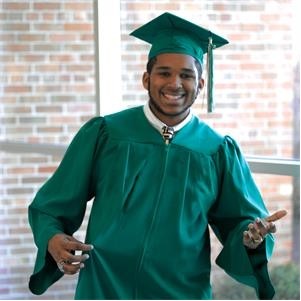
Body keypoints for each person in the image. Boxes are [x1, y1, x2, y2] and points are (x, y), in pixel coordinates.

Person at [28, 12, 287, 299]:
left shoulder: (216, 151)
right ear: (146, 78)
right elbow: (52, 205)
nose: (175, 83)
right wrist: (52, 237)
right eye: (164, 72)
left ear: (200, 85)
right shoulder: (106, 134)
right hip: (106, 284)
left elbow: (242, 223)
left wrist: (251, 240)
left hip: (181, 289)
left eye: (187, 75)